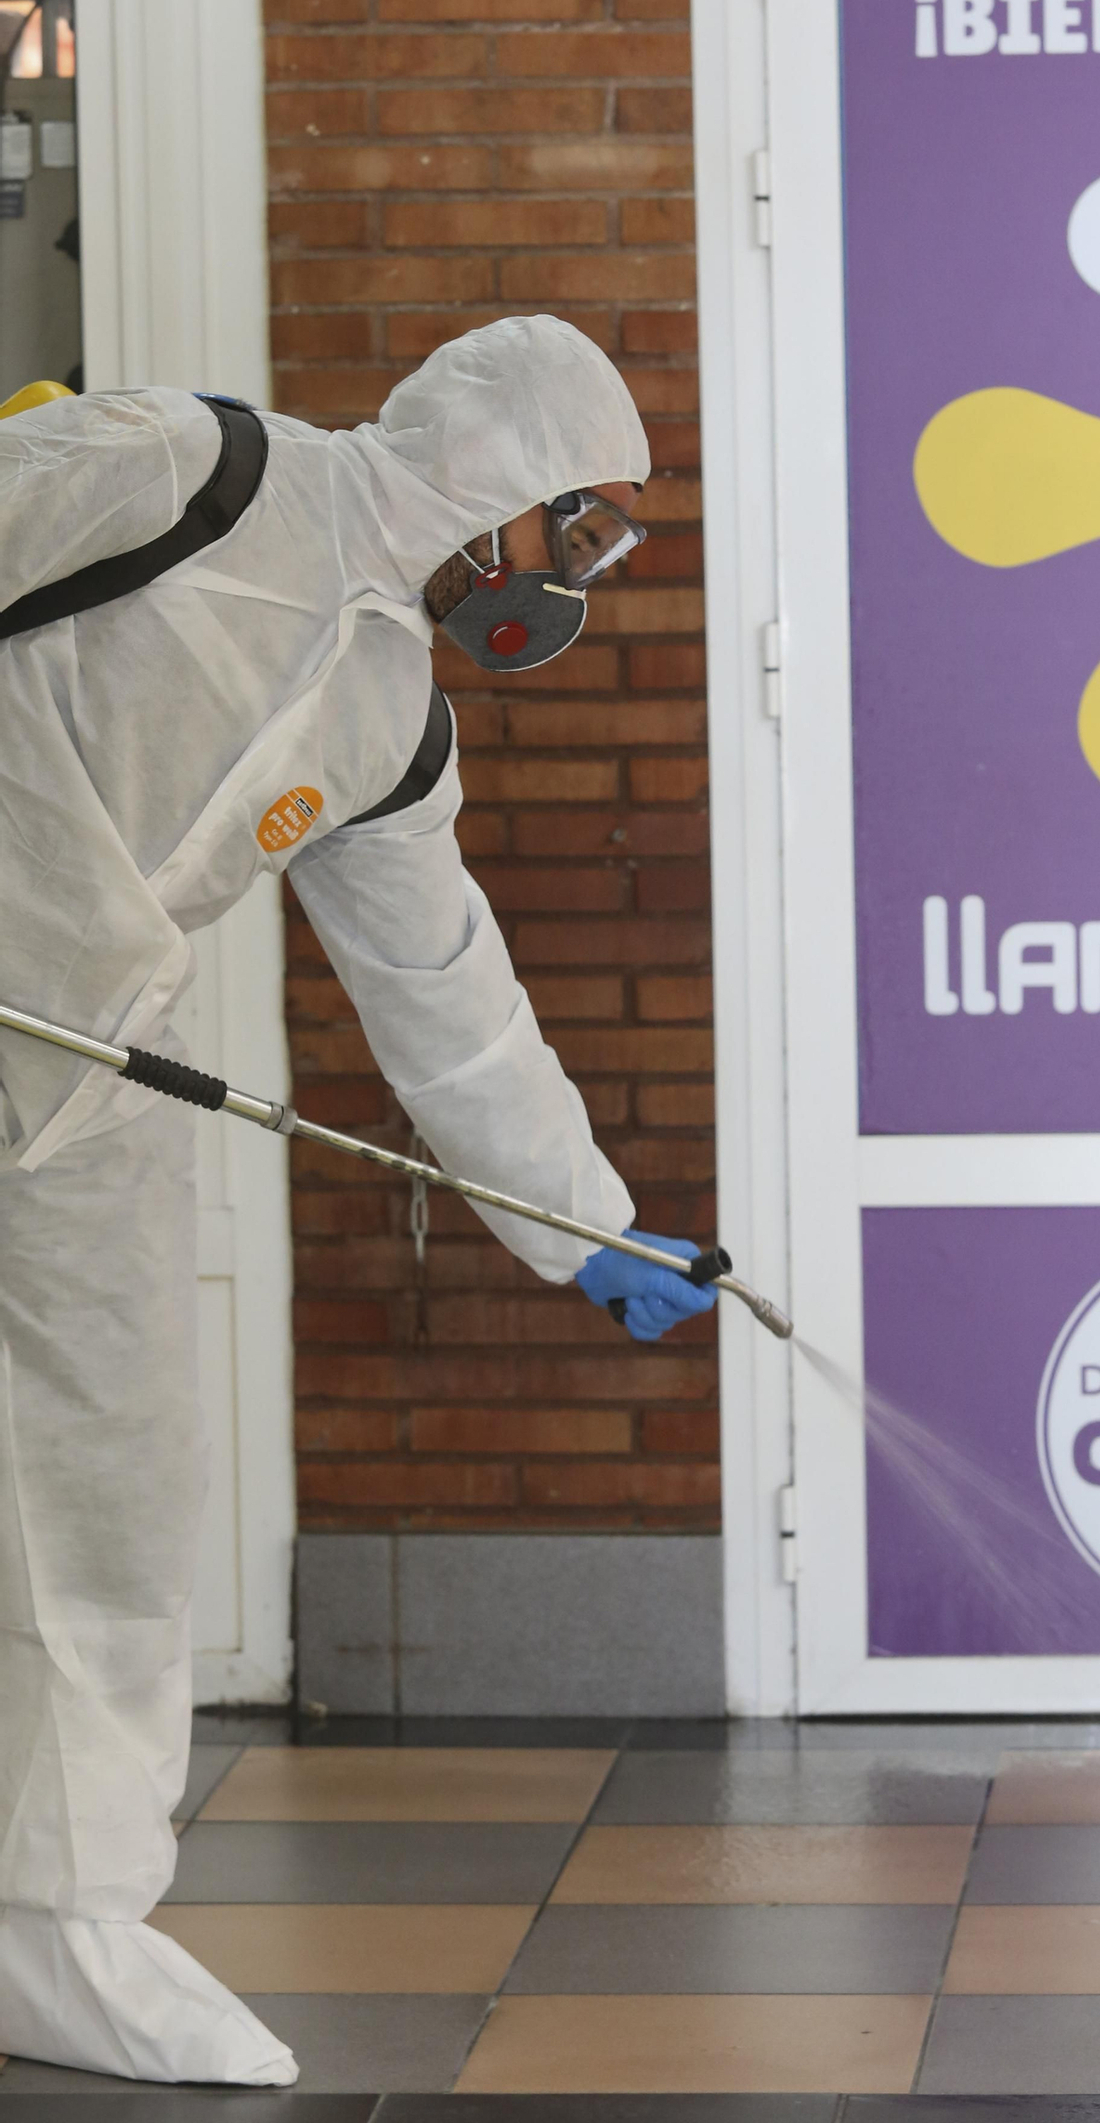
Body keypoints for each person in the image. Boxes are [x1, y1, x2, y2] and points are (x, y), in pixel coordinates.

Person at [0, 318, 716, 2085]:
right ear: (500, 481)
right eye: (587, 529)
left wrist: (583, 1219)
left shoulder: (395, 719)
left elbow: (448, 994)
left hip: (76, 1094)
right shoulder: (188, 470)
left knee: (112, 1494)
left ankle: (58, 1924)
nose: (587, 576)